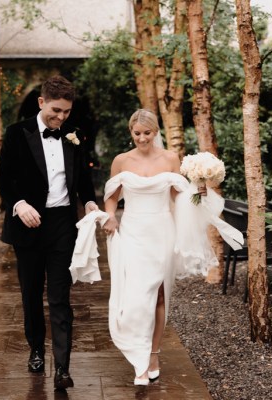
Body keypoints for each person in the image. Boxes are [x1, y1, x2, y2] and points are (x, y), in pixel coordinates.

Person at [101, 109, 242, 386]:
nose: (142, 138)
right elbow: (111, 196)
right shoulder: (121, 161)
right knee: (135, 295)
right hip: (131, 231)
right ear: (131, 132)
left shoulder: (170, 159)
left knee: (159, 295)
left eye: (147, 133)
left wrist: (199, 191)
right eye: (137, 133)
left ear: (156, 133)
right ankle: (136, 347)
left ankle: (151, 356)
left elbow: (180, 197)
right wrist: (110, 217)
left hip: (161, 232)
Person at [0, 75, 98, 390]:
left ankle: (62, 368)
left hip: (62, 225)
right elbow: (2, 178)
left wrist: (90, 201)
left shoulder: (74, 134)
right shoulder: (17, 133)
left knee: (60, 295)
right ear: (41, 102)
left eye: (66, 111)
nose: (61, 117)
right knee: (30, 293)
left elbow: (82, 178)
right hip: (28, 224)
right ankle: (36, 348)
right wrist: (19, 204)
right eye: (56, 110)